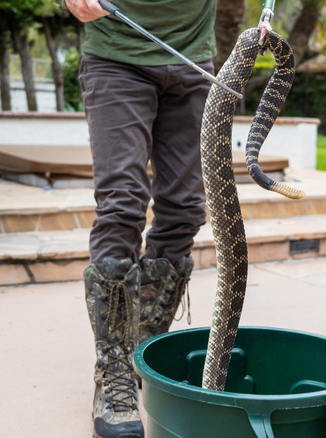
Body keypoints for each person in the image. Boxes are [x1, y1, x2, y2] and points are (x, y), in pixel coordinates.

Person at [64, 0, 217, 436]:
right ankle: (112, 375)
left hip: (192, 62)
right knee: (121, 207)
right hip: (117, 57)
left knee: (185, 209)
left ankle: (142, 354)